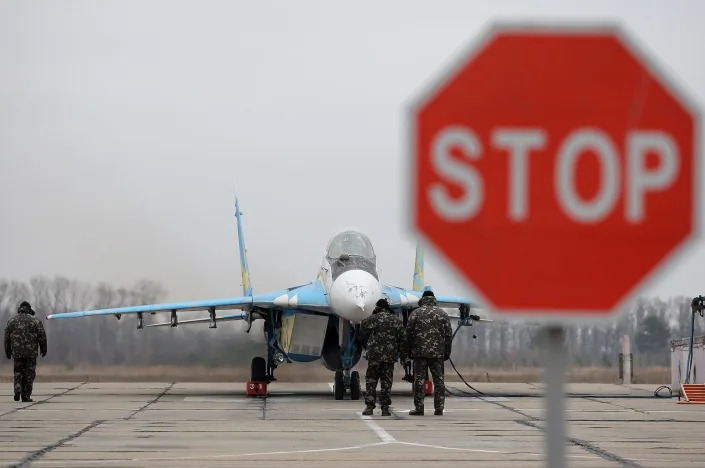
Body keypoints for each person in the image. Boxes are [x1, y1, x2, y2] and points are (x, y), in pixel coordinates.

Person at [406, 290, 452, 416]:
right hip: (437, 354)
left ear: (423, 299)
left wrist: (409, 351)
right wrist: (447, 352)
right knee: (439, 381)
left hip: (419, 354)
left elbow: (409, 334)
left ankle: (419, 408)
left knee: (419, 380)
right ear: (433, 299)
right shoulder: (442, 314)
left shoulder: (415, 313)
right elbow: (448, 335)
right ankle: (439, 408)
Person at [360, 297, 406, 416]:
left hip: (375, 356)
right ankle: (385, 408)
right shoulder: (396, 320)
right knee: (386, 382)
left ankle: (370, 407)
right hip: (389, 356)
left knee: (371, 380)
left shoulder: (374, 319)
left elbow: (362, 327)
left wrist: (373, 315)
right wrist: (404, 357)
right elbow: (402, 340)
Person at [4, 301, 47, 402]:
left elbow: (6, 339)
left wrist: (8, 351)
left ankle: (17, 387)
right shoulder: (35, 321)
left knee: (18, 371)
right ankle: (26, 396)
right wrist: (44, 349)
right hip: (31, 353)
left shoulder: (11, 321)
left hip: (17, 353)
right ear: (29, 309)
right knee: (29, 374)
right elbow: (42, 337)